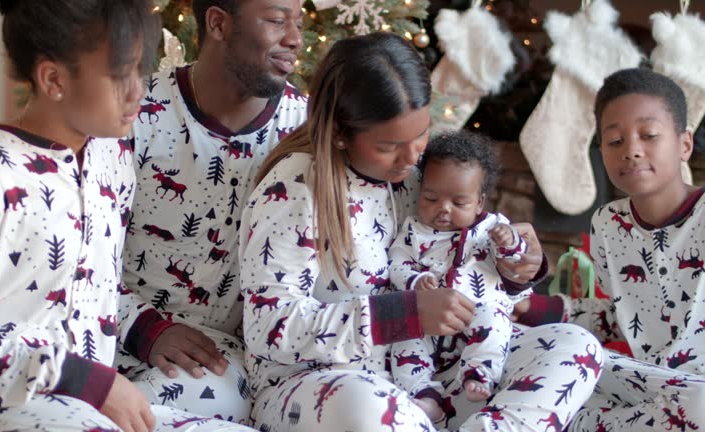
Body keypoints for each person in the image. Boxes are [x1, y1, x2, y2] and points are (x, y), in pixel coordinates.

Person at [239, 31, 602, 432]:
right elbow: (269, 328)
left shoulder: (418, 177)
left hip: (432, 372)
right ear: (342, 133)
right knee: (375, 411)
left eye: (422, 134)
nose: (413, 157)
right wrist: (403, 315)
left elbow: (467, 260)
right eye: (390, 145)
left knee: (577, 347)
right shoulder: (294, 190)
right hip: (321, 383)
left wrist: (518, 270)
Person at [0, 1, 255, 431]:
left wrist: (121, 356)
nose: (137, 92)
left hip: (86, 405)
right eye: (119, 75)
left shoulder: (110, 159)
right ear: (53, 79)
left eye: (139, 73)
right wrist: (84, 379)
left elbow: (87, 287)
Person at [116, 0, 307, 423]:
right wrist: (144, 329)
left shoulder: (307, 132)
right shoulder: (134, 114)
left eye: (299, 22)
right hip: (122, 341)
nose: (295, 39)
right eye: (277, 21)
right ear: (218, 23)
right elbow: (80, 254)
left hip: (236, 365)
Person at [514, 67, 705, 431]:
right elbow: (617, 316)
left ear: (684, 144)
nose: (631, 150)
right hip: (642, 381)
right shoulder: (608, 223)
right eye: (614, 141)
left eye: (648, 135)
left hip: (699, 392)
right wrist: (526, 306)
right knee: (551, 358)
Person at [389, 131, 531, 416]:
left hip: (477, 312)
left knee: (496, 321)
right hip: (427, 317)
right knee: (402, 340)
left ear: (479, 202)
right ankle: (425, 395)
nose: (443, 209)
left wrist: (509, 242)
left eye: (459, 203)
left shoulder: (492, 228)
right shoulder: (413, 230)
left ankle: (478, 376)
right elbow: (396, 262)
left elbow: (516, 262)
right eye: (430, 198)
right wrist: (414, 280)